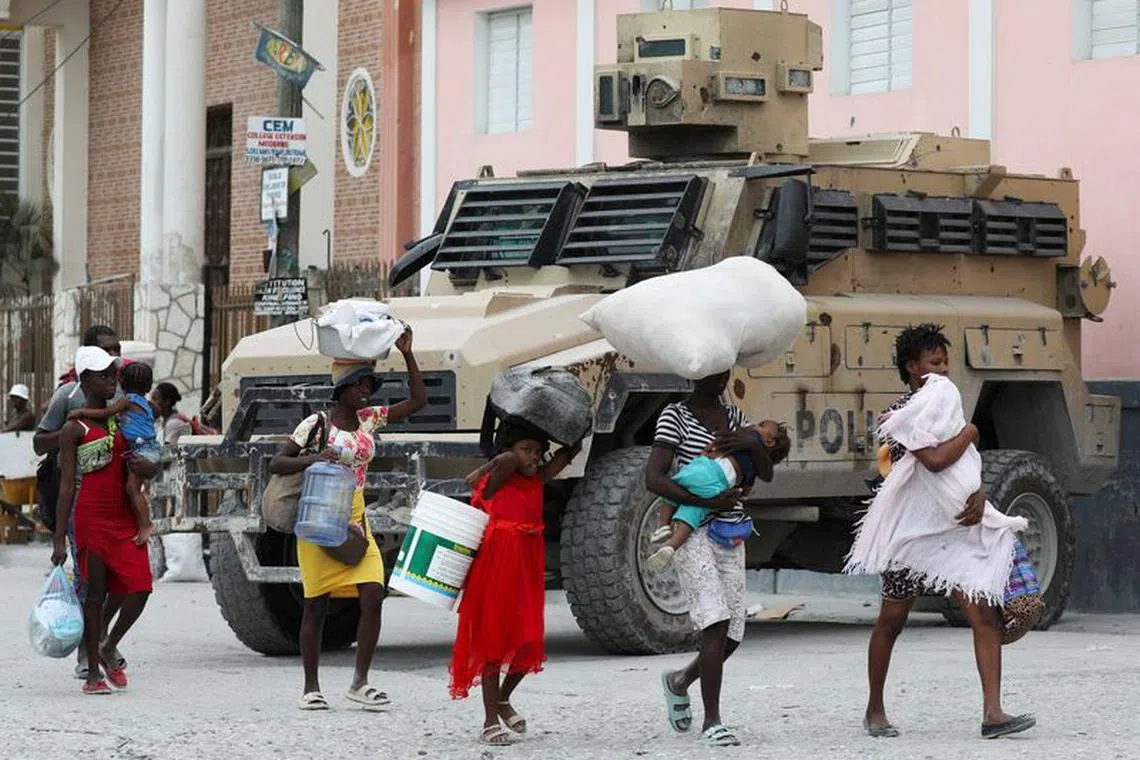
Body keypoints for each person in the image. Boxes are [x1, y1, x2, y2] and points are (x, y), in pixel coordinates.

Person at [847, 324, 1035, 740]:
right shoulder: (905, 414)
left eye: (945, 361)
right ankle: (874, 710)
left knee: (983, 615)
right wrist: (970, 431)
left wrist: (980, 495)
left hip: (952, 533)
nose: (944, 368)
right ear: (913, 367)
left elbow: (963, 466)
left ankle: (993, 713)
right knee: (891, 622)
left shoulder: (946, 407)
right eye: (935, 362)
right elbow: (933, 461)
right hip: (911, 539)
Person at [268, 328, 426, 712]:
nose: (366, 391)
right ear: (341, 388)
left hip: (356, 515)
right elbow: (277, 461)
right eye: (359, 385)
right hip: (321, 516)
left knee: (373, 594)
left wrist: (407, 354)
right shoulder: (317, 424)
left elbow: (418, 400)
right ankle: (311, 687)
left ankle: (360, 682)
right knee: (316, 604)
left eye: (369, 385)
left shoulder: (370, 420)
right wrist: (312, 458)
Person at [644, 371, 773, 747]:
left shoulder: (734, 417)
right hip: (693, 530)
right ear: (692, 369)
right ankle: (713, 722)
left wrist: (751, 443)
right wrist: (705, 502)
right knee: (714, 624)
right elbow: (654, 477)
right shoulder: (675, 416)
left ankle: (679, 681)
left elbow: (764, 471)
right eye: (709, 370)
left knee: (733, 634)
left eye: (723, 369)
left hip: (731, 533)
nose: (718, 377)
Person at [450, 423, 581, 746]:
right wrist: (507, 456)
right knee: (493, 641)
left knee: (528, 640)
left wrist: (572, 436)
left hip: (526, 565)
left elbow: (569, 453)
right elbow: (491, 477)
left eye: (538, 451)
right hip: (496, 566)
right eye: (527, 449)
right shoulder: (498, 477)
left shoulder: (536, 478)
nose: (534, 456)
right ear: (509, 451)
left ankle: (503, 700)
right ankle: (489, 720)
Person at [50, 346, 158, 695]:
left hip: (124, 518)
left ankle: (108, 645)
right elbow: (66, 487)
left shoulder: (124, 419)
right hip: (91, 519)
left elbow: (148, 462)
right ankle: (94, 674)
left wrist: (151, 468)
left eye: (114, 374)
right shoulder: (74, 427)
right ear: (85, 380)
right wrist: (58, 540)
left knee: (140, 587)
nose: (112, 380)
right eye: (103, 375)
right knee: (95, 595)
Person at [33, 325, 130, 680]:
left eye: (118, 349)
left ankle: (102, 638)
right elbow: (40, 442)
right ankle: (86, 653)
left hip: (119, 498)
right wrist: (76, 433)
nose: (116, 355)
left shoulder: (120, 391)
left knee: (125, 577)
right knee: (90, 580)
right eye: (109, 349)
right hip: (80, 501)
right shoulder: (68, 395)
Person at [647, 420, 790, 570]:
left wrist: (705, 453)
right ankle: (670, 546)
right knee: (692, 513)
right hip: (720, 486)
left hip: (709, 469)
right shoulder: (754, 470)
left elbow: (715, 446)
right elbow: (745, 492)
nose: (756, 425)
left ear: (769, 441)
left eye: (762, 426)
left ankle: (663, 525)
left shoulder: (748, 437)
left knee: (673, 488)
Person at [68, 362, 158, 546]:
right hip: (149, 448)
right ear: (149, 387)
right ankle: (143, 524)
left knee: (132, 489)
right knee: (135, 488)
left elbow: (107, 412)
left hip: (142, 450)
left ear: (121, 384)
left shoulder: (128, 400)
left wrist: (82, 411)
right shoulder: (146, 403)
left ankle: (145, 525)